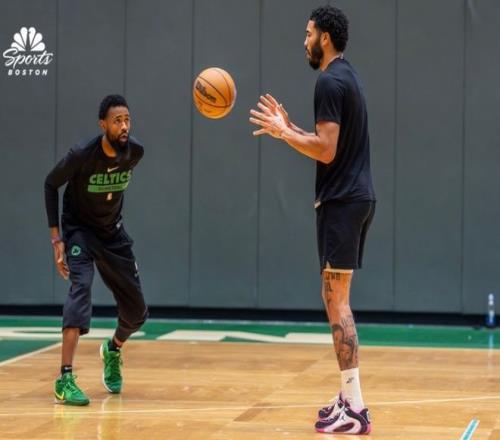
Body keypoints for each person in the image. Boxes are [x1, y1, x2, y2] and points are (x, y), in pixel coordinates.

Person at [249, 5, 375, 435]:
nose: (303, 41)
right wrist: (292, 128)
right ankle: (347, 396)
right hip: (353, 197)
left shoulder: (328, 81)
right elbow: (326, 142)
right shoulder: (347, 76)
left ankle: (356, 408)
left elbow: (325, 149)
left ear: (324, 37)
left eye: (307, 34)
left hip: (343, 201)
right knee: (334, 297)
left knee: (337, 301)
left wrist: (283, 132)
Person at [44, 94, 148, 406]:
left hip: (112, 234)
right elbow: (51, 184)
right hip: (80, 232)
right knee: (81, 289)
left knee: (137, 313)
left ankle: (112, 349)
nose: (124, 126)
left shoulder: (135, 152)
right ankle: (65, 378)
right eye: (117, 121)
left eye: (127, 120)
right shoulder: (82, 155)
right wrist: (57, 239)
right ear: (103, 125)